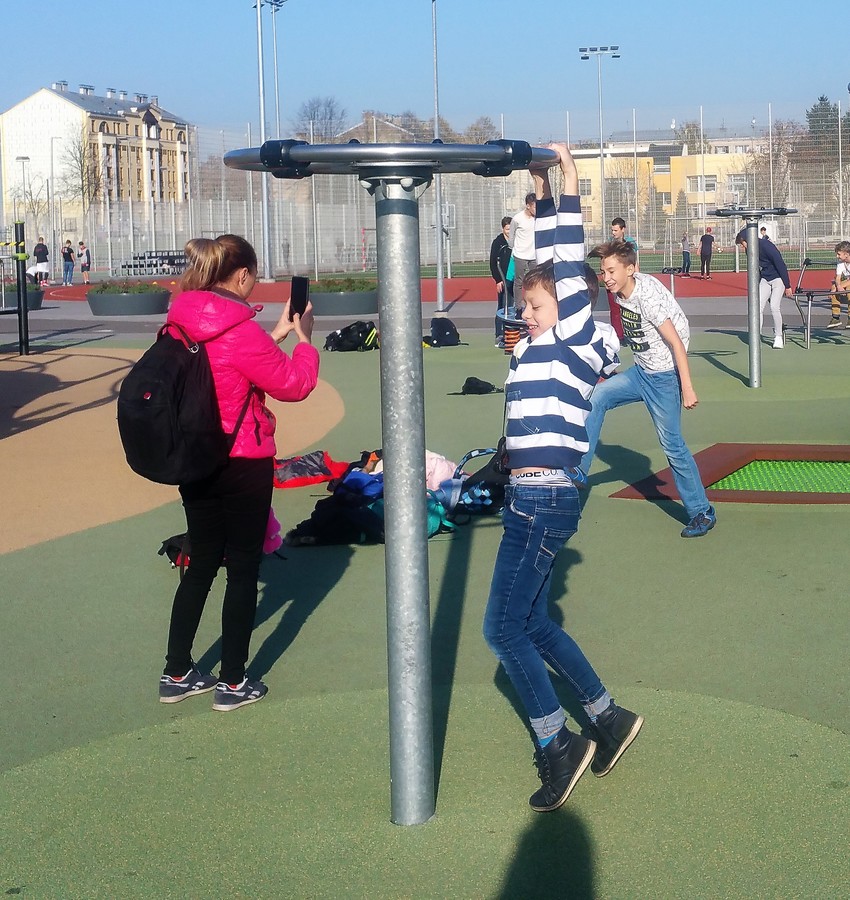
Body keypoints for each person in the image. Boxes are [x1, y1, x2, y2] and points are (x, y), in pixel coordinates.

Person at [483, 143, 642, 814]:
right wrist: (540, 191)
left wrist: (569, 180)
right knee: (535, 623)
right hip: (530, 495)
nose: (527, 313)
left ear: (570, 307)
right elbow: (542, 263)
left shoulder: (575, 339)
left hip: (544, 498)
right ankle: (607, 718)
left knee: (502, 630)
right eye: (524, 305)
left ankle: (558, 743)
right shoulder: (535, 346)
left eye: (537, 305)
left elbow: (565, 263)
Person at [158, 233, 319, 712]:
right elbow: (294, 384)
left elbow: (222, 369)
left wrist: (275, 336)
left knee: (201, 563)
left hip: (196, 457)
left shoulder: (179, 321)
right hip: (243, 459)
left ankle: (176, 672)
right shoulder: (240, 330)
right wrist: (305, 340)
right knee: (244, 568)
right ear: (243, 275)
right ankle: (233, 682)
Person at [579, 240, 718, 539]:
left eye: (612, 271)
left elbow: (676, 343)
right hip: (641, 372)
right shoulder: (621, 291)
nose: (606, 278)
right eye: (603, 271)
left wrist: (688, 388)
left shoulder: (647, 298)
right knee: (598, 396)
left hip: (665, 378)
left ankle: (702, 511)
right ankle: (579, 471)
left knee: (672, 445)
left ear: (630, 269)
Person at [734, 229, 792, 349]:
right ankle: (757, 336)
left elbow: (780, 263)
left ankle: (778, 337)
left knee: (774, 307)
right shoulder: (749, 251)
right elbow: (755, 268)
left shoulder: (766, 246)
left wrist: (787, 286)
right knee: (757, 307)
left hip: (778, 278)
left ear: (748, 240)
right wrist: (758, 284)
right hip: (765, 279)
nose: (742, 246)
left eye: (742, 243)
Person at [606, 218, 639, 341]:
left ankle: (632, 334)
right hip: (614, 281)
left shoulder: (630, 244)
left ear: (623, 229)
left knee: (630, 308)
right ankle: (618, 336)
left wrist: (637, 277)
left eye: (615, 230)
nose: (613, 233)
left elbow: (634, 263)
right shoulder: (610, 245)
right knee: (615, 309)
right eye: (612, 230)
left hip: (626, 281)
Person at [489, 216, 513, 347]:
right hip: (502, 279)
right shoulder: (498, 242)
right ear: (503, 229)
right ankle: (499, 334)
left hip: (513, 278)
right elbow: (493, 263)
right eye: (507, 229)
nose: (509, 231)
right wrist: (498, 280)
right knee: (502, 306)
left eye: (511, 228)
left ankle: (511, 333)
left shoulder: (516, 240)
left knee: (513, 307)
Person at [509, 192, 537, 294]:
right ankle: (518, 303)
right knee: (519, 281)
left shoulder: (538, 218)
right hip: (520, 255)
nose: (537, 210)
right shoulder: (517, 218)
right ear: (528, 206)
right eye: (535, 207)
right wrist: (512, 249)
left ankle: (533, 301)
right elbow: (511, 235)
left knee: (535, 281)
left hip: (534, 255)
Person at [827, 240, 850, 329]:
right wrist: (838, 286)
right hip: (848, 281)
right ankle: (836, 318)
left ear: (846, 254)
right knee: (834, 287)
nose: (837, 256)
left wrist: (838, 288)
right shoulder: (841, 263)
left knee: (848, 289)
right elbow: (838, 278)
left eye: (839, 254)